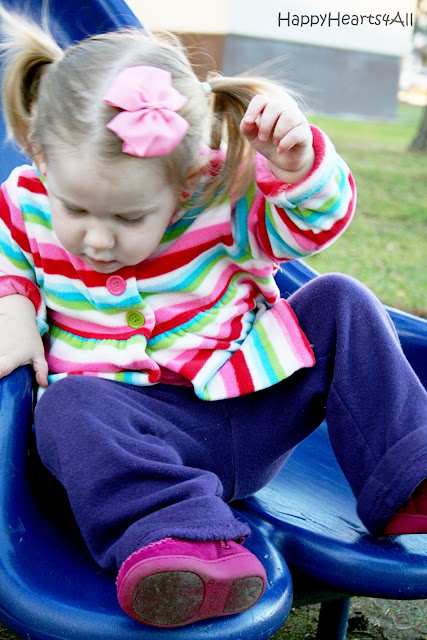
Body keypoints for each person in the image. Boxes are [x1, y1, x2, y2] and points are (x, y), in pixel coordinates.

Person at [0, 6, 426, 629]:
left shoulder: (223, 199)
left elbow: (310, 227)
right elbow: (8, 263)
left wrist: (296, 169)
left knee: (340, 299)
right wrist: (12, 304)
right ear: (41, 157)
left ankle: (410, 478)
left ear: (185, 181)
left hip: (253, 413)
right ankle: (181, 542)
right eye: (77, 210)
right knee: (68, 405)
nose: (97, 238)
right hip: (132, 443)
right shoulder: (26, 203)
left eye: (129, 217)